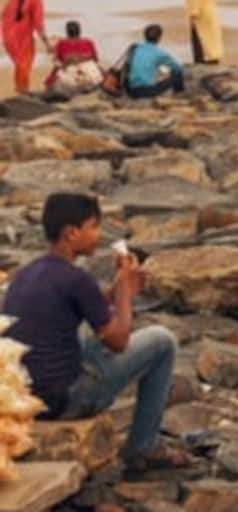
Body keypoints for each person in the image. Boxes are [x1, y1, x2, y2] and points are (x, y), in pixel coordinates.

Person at [2, 193, 188, 473]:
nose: (98, 235)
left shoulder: (28, 273)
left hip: (29, 397)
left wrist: (116, 290)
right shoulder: (76, 279)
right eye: (94, 227)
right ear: (71, 233)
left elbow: (84, 305)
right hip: (64, 400)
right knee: (163, 342)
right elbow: (119, 341)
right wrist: (125, 292)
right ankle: (143, 447)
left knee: (82, 336)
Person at [4, 0, 50, 94]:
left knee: (20, 64)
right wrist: (47, 44)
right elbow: (38, 25)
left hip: (8, 38)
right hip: (22, 39)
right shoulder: (35, 0)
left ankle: (20, 89)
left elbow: (4, 15)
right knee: (24, 64)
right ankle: (23, 90)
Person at [44, 21, 103, 95]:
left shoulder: (61, 44)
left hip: (70, 83)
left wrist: (50, 79)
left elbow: (58, 64)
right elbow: (96, 60)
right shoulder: (88, 42)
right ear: (80, 31)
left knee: (57, 84)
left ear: (67, 32)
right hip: (92, 80)